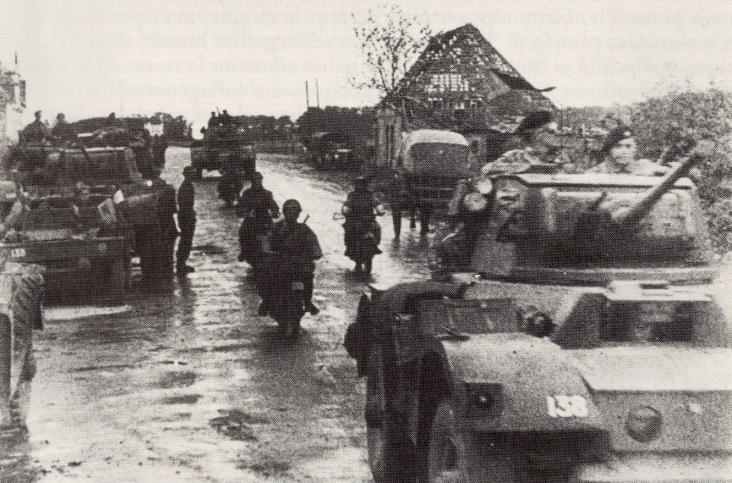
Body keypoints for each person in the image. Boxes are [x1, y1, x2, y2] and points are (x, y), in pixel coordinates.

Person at [260, 199, 322, 316]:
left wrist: (314, 253)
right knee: (266, 275)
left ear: (298, 214)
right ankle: (266, 301)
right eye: (289, 212)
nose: (292, 215)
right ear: (284, 212)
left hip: (298, 264)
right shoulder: (276, 228)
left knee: (308, 278)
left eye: (295, 212)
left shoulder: (304, 229)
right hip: (279, 262)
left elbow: (314, 245)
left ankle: (307, 301)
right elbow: (267, 241)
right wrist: (268, 252)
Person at [480, 110, 561, 176]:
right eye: (549, 132)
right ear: (530, 133)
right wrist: (521, 168)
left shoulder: (561, 158)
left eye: (556, 132)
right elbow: (485, 170)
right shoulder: (516, 156)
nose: (555, 135)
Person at [588, 126, 668, 176]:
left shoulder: (645, 166)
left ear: (635, 149)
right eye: (618, 147)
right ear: (610, 150)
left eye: (628, 146)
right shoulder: (599, 171)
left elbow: (669, 173)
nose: (624, 151)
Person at [236, 172, 279, 264]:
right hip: (251, 220)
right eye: (254, 180)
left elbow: (273, 205)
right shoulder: (247, 193)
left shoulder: (267, 193)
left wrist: (275, 212)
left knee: (274, 233)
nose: (257, 182)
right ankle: (244, 251)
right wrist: (244, 212)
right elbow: (240, 207)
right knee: (243, 232)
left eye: (258, 180)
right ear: (252, 182)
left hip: (264, 220)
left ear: (261, 181)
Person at [343, 176, 381, 273]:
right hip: (355, 219)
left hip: (368, 219)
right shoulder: (352, 195)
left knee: (377, 228)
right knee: (349, 231)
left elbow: (376, 202)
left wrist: (379, 209)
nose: (360, 186)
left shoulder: (370, 194)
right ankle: (349, 248)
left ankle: (375, 246)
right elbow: (347, 203)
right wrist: (345, 209)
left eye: (362, 183)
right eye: (358, 184)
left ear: (365, 184)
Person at [176, 166, 196, 275]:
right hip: (186, 217)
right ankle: (181, 264)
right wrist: (190, 215)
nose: (193, 175)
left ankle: (182, 263)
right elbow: (184, 204)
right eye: (191, 174)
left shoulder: (187, 185)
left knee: (186, 241)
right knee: (186, 241)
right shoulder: (186, 187)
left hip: (186, 216)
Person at [388, 157, 412, 241]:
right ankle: (412, 220)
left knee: (396, 217)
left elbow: (390, 186)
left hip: (396, 199)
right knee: (397, 217)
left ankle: (397, 235)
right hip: (406, 198)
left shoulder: (394, 172)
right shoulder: (407, 172)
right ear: (402, 162)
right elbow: (410, 186)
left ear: (397, 162)